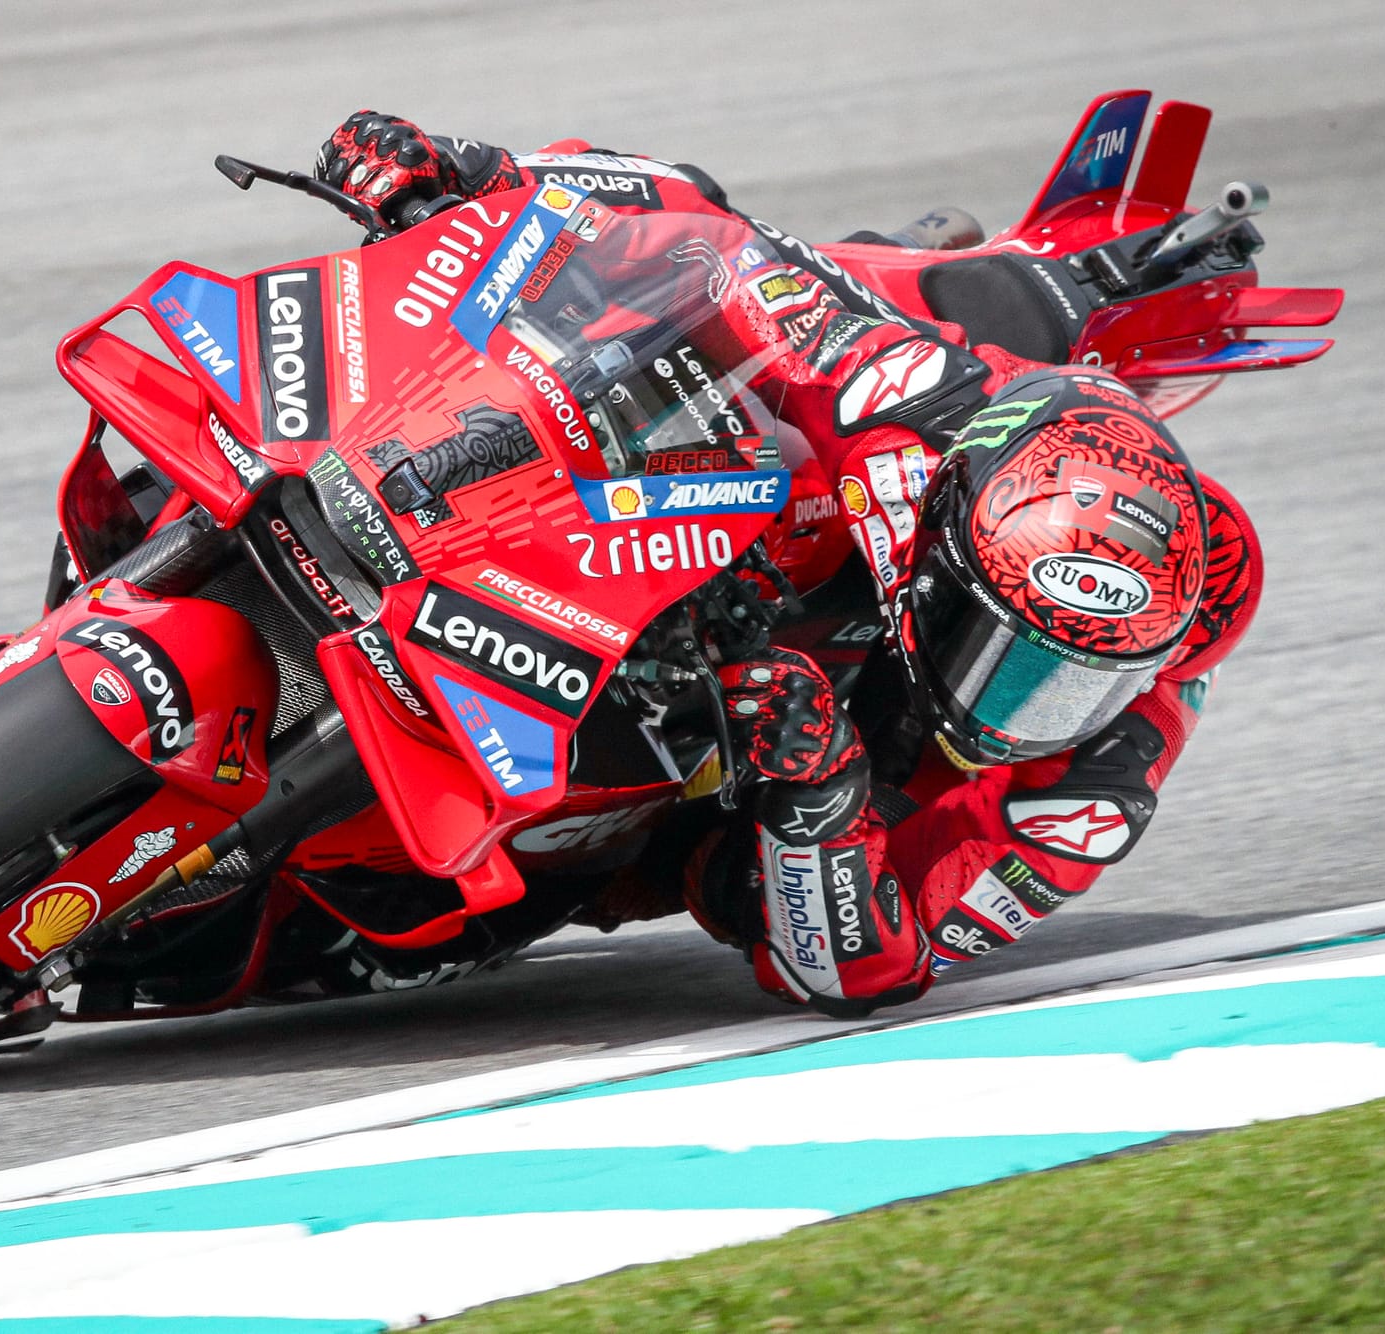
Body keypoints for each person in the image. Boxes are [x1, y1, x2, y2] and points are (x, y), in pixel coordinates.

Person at [314, 112, 1263, 1017]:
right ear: (948, 555)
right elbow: (700, 226)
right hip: (689, 514)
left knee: (402, 937)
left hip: (729, 795)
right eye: (1005, 659)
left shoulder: (1097, 785)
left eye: (1067, 691)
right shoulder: (919, 411)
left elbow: (874, 970)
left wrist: (821, 788)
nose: (1010, 714)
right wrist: (473, 174)